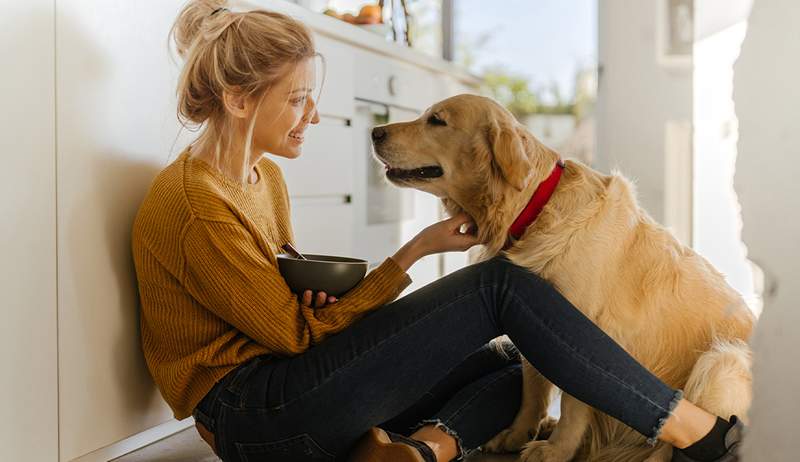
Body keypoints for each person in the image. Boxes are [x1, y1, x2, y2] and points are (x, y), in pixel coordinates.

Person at [131, 2, 743, 461]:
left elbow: (277, 310)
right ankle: (691, 429)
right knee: (497, 287)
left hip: (290, 389)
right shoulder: (196, 203)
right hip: (254, 418)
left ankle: (421, 452)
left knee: (519, 358)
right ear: (239, 100)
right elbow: (293, 337)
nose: (312, 115)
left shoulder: (261, 178)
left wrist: (316, 296)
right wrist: (417, 250)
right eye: (296, 100)